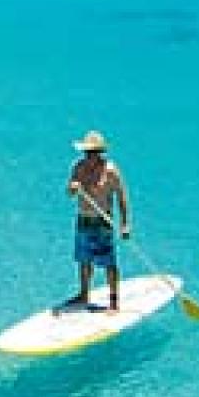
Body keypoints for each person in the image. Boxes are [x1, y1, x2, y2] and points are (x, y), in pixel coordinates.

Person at [67, 129, 132, 311]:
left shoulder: (110, 171)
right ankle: (84, 294)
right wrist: (73, 187)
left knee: (108, 262)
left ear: (99, 153)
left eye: (92, 153)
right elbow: (70, 193)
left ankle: (114, 301)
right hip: (83, 220)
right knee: (84, 259)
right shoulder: (78, 168)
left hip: (102, 223)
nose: (89, 156)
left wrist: (125, 224)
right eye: (86, 153)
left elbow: (122, 198)